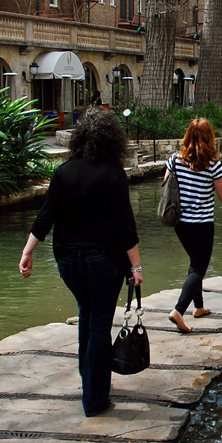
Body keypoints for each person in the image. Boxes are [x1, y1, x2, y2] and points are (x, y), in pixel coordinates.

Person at [18, 111, 143, 417]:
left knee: (87, 315)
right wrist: (137, 268)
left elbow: (46, 216)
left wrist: (27, 251)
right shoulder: (114, 174)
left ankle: (88, 376)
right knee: (99, 324)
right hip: (105, 261)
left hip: (68, 261)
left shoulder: (64, 172)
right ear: (112, 141)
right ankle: (95, 400)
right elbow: (125, 227)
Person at [164, 118, 222, 334]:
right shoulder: (213, 164)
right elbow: (221, 193)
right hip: (202, 223)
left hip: (180, 222)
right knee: (199, 267)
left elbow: (166, 184)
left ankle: (199, 306)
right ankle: (178, 310)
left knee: (195, 262)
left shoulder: (174, 160)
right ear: (209, 137)